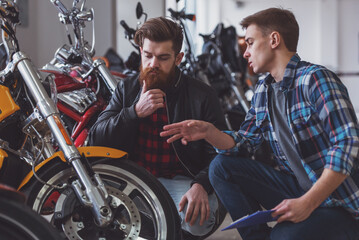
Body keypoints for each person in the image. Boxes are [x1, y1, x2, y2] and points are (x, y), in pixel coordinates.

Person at [160, 8, 359, 240]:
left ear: (274, 40)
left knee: (282, 237)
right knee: (221, 167)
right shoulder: (264, 89)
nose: (245, 53)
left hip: (338, 204)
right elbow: (245, 142)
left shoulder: (315, 79)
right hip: (298, 189)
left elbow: (347, 143)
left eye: (251, 42)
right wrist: (209, 132)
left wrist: (307, 202)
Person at [88, 17, 227, 238]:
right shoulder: (127, 88)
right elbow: (96, 140)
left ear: (178, 58)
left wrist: (200, 185)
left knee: (200, 219)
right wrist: (133, 112)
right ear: (141, 51)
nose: (153, 64)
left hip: (182, 181)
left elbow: (219, 152)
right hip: (134, 179)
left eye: (163, 58)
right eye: (148, 56)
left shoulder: (202, 95)